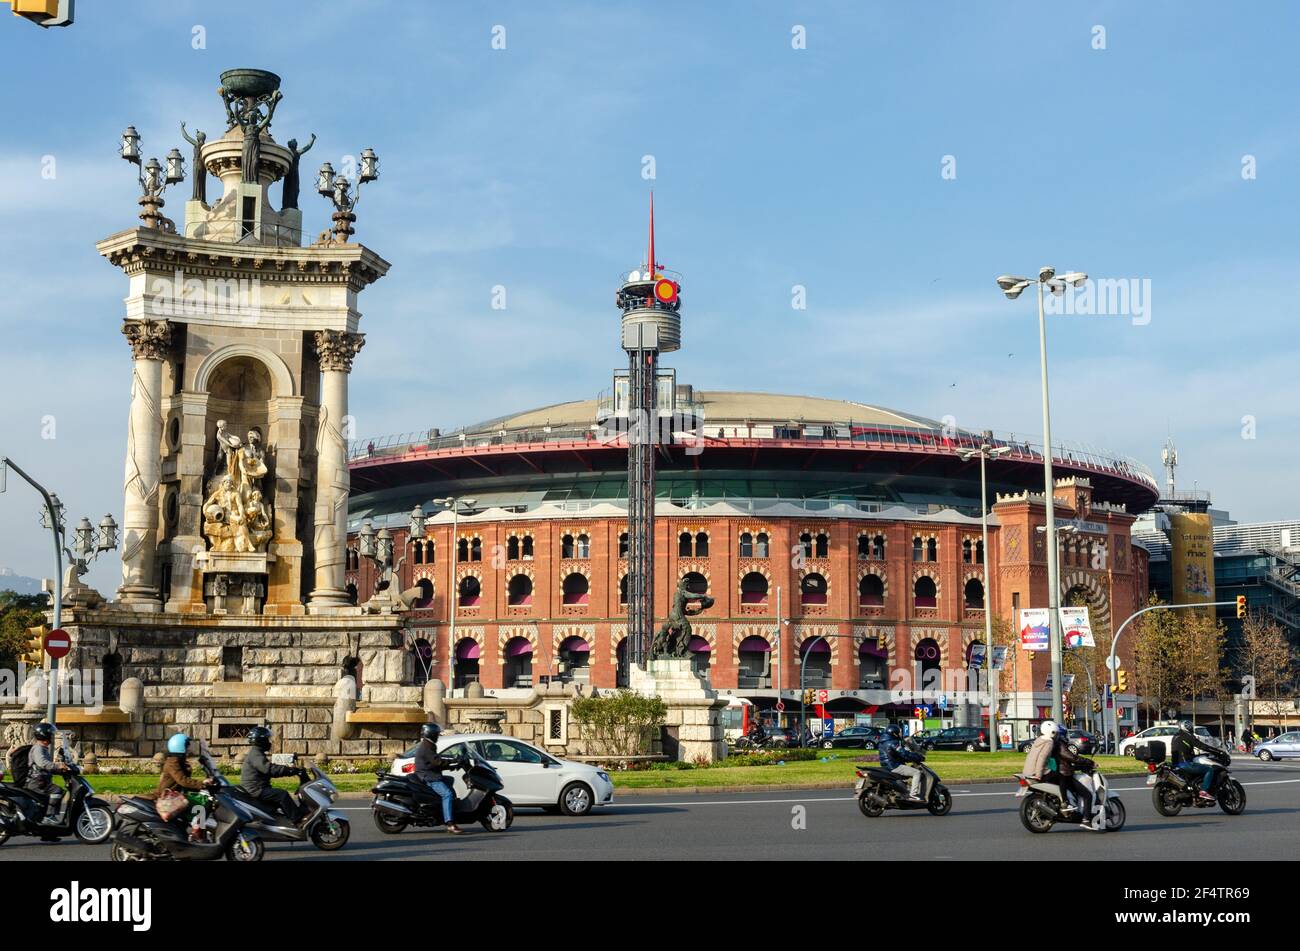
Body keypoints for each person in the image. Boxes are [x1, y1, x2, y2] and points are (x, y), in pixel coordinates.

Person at [240, 726, 307, 822]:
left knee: (279, 798)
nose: (269, 742)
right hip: (255, 790)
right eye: (267, 739)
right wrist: (291, 771)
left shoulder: (257, 752)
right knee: (282, 795)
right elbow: (269, 769)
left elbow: (270, 767)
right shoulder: (255, 754)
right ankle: (298, 820)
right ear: (261, 740)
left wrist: (289, 769)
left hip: (257, 788)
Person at [412, 723, 463, 834]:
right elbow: (437, 762)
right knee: (447, 794)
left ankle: (445, 810)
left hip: (428, 773)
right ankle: (450, 823)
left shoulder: (427, 744)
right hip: (428, 776)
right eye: (436, 734)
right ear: (431, 734)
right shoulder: (427, 746)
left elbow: (435, 761)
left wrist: (451, 765)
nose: (438, 736)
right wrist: (453, 761)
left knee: (450, 781)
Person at [25, 722, 69, 823]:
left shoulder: (42, 749)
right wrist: (58, 765)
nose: (52, 737)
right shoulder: (38, 749)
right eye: (51, 735)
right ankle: (49, 816)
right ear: (45, 735)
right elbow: (42, 763)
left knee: (54, 792)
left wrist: (60, 769)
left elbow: (47, 766)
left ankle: (45, 816)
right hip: (36, 781)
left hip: (41, 780)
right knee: (57, 791)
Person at [1170, 720, 1217, 802]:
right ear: (1188, 727)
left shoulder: (1175, 736)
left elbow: (1183, 750)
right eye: (1191, 727)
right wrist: (1217, 751)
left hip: (1175, 765)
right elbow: (1201, 746)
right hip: (1185, 764)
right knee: (1209, 770)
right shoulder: (1188, 736)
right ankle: (1204, 791)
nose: (1192, 728)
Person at [878, 724, 927, 801]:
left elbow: (896, 755)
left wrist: (906, 759)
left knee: (908, 773)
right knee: (917, 773)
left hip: (887, 765)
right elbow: (904, 753)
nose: (900, 734)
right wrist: (918, 757)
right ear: (894, 733)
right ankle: (913, 795)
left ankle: (903, 791)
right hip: (894, 766)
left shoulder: (883, 741)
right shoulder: (893, 742)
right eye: (899, 732)